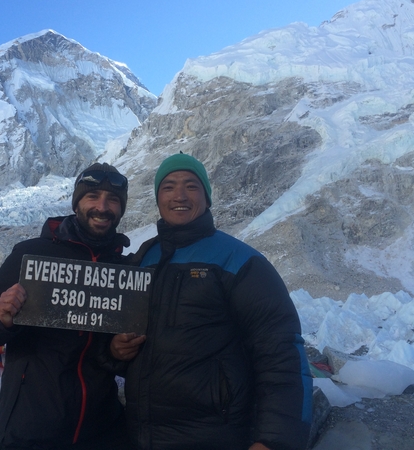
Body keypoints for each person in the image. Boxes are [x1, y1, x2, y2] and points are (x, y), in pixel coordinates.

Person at [111, 153, 312, 450]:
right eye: (168, 187)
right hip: (143, 435)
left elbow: (281, 352)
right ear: (157, 198)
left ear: (206, 197)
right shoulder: (144, 260)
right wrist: (115, 351)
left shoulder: (240, 261)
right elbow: (119, 340)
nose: (179, 195)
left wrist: (274, 440)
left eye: (191, 186)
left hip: (215, 435)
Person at [0, 162, 132, 450]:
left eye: (113, 200)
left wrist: (118, 352)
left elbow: (113, 352)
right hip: (30, 429)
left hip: (101, 428)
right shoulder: (33, 254)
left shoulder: (121, 270)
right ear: (77, 203)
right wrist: (1, 317)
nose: (102, 207)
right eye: (92, 196)